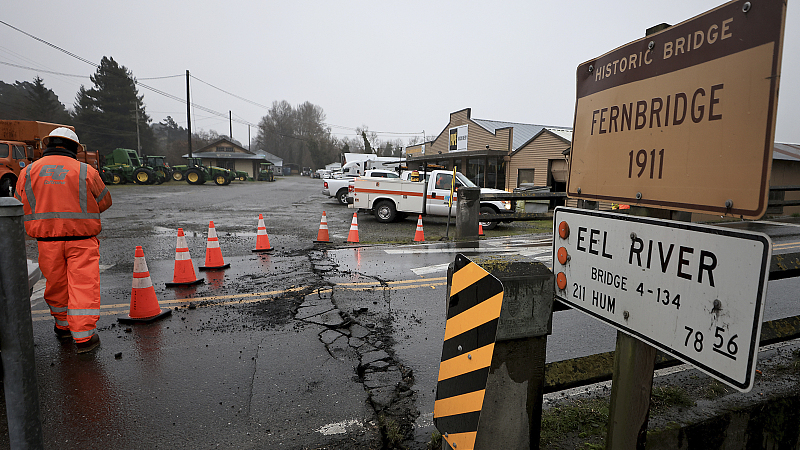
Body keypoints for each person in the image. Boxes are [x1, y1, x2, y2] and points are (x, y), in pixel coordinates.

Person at [14, 127, 112, 353]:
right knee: (83, 285)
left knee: (56, 285)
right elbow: (105, 202)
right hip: (81, 239)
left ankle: (63, 325)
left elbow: (16, 205)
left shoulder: (28, 172)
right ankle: (84, 337)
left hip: (47, 241)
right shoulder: (85, 171)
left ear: (48, 145)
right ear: (74, 148)